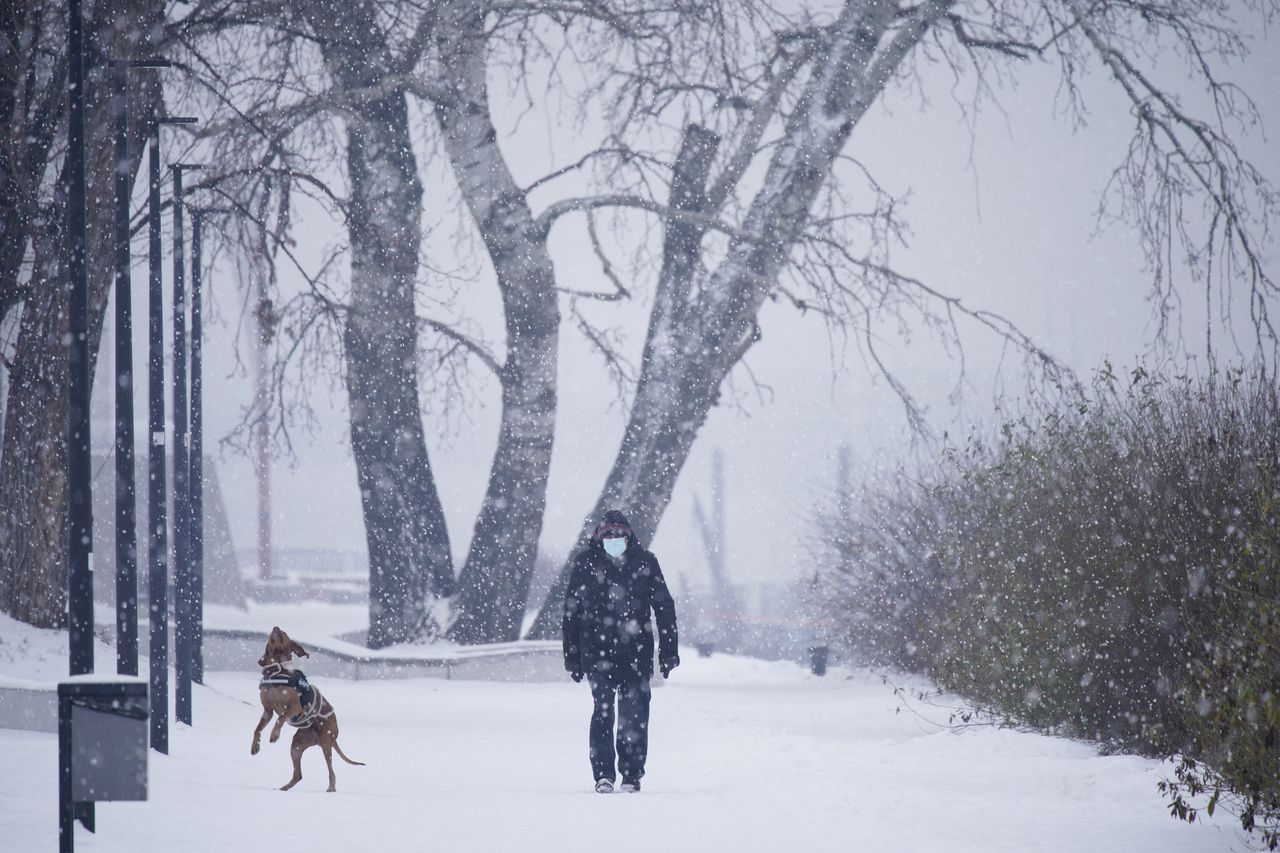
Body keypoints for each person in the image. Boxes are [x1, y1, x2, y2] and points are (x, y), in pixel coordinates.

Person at [562, 509, 679, 793]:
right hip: (597, 651)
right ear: (599, 537)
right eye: (608, 535)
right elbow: (571, 613)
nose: (614, 539)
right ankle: (603, 774)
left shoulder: (646, 563)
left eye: (619, 535)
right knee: (602, 712)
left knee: (635, 714)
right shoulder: (585, 563)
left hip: (636, 654)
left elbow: (664, 608)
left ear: (629, 536)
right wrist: (572, 657)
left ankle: (631, 774)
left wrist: (668, 652)